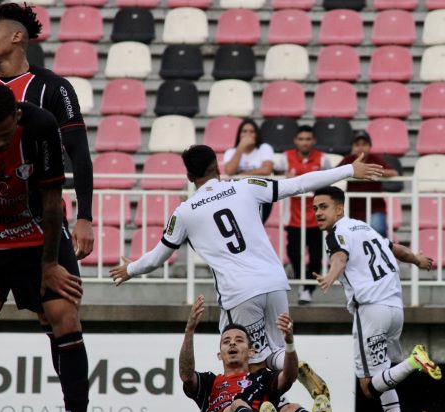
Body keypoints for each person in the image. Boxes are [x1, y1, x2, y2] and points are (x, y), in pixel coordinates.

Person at [0, 3, 104, 412]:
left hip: (42, 225)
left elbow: (80, 154)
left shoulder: (53, 89)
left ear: (18, 37)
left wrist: (86, 216)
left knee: (58, 312)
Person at [109, 145, 383, 395]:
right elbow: (298, 184)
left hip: (239, 292)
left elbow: (159, 256)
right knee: (276, 352)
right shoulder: (246, 186)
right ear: (217, 167)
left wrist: (129, 269)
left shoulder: (184, 212)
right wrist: (350, 170)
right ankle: (292, 375)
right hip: (275, 283)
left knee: (247, 360)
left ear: (190, 177)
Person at [311, 186, 441, 412]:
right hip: (395, 309)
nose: (317, 213)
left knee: (368, 386)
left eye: (323, 207)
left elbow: (340, 257)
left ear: (339, 209)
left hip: (371, 309)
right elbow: (396, 249)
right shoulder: (364, 227)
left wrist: (330, 276)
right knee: (382, 373)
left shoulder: (336, 234)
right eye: (315, 208)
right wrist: (417, 259)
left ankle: (414, 361)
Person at [180, 295, 331, 412]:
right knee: (236, 405)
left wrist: (289, 343)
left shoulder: (261, 378)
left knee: (288, 408)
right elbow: (186, 376)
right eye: (226, 341)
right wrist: (189, 330)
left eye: (239, 340)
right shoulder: (210, 381)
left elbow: (288, 377)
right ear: (219, 355)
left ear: (251, 352)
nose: (232, 343)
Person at [274, 126, 331, 305]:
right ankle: (303, 285)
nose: (304, 142)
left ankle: (308, 289)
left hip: (316, 218)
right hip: (294, 218)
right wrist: (284, 176)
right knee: (294, 254)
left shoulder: (323, 158)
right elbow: (273, 173)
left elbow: (330, 178)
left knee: (316, 257)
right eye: (301, 139)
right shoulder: (285, 158)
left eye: (308, 139)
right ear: (295, 141)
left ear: (313, 140)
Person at [337, 132, 398, 238]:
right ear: (353, 147)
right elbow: (335, 172)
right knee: (354, 237)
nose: (361, 148)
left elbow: (393, 173)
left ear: (370, 146)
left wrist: (371, 171)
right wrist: (350, 171)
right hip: (353, 209)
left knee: (379, 231)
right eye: (357, 144)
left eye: (364, 144)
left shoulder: (375, 159)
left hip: (375, 208)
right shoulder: (349, 160)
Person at [223, 119, 275, 223]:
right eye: (244, 131)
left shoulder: (264, 148)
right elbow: (229, 170)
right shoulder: (231, 152)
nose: (248, 134)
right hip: (237, 196)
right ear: (239, 134)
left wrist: (242, 175)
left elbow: (267, 169)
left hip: (261, 195)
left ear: (257, 134)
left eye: (252, 131)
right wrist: (241, 148)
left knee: (257, 225)